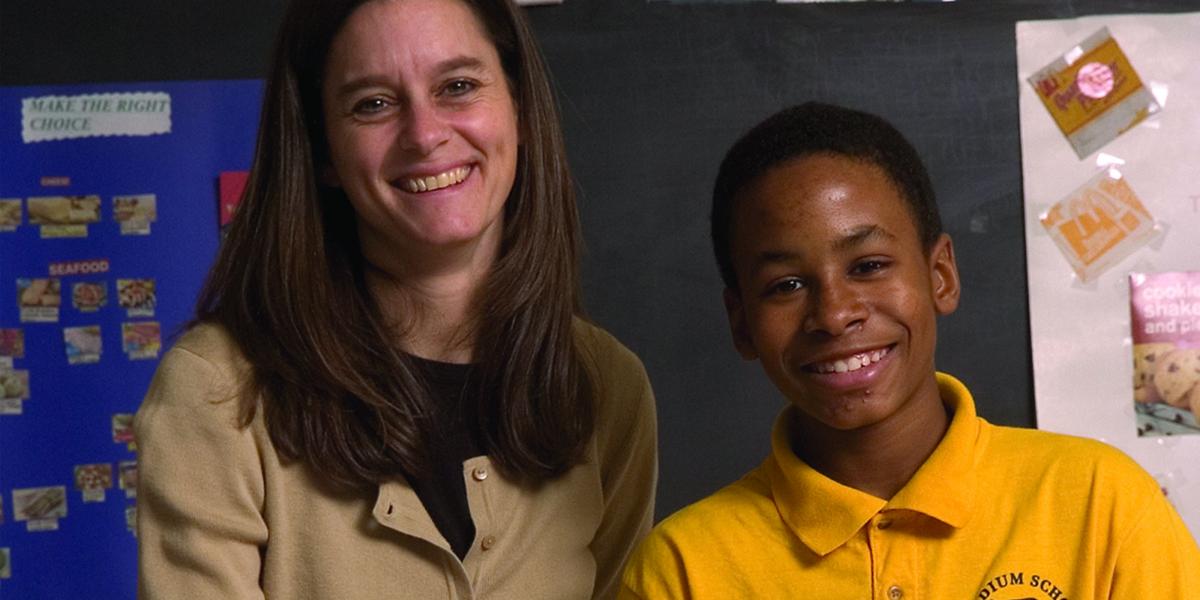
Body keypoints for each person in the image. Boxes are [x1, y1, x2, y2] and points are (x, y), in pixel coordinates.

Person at [134, 1, 657, 598]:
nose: (426, 135)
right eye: (373, 104)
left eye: (458, 86)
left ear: (520, 108)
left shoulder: (608, 387)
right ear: (323, 151)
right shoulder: (217, 390)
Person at [619, 102, 1200, 599]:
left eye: (868, 266)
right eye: (786, 285)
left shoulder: (1101, 504)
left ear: (940, 275)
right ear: (741, 323)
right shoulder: (683, 569)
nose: (834, 313)